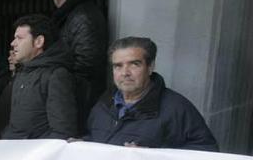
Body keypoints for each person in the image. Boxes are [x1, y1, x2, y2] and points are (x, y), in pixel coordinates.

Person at [86, 36, 218, 151]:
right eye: (118, 66)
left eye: (134, 64)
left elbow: (207, 151)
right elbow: (95, 138)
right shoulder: (103, 104)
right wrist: (80, 146)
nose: (125, 73)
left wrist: (154, 157)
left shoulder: (177, 108)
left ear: (150, 67)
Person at [2, 14, 77, 139]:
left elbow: (62, 132)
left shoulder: (57, 75)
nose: (13, 43)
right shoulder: (22, 73)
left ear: (39, 42)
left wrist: (37, 156)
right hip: (13, 152)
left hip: (34, 156)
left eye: (19, 38)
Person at [50, 0, 108, 131]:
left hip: (81, 94)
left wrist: (61, 78)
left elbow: (87, 61)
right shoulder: (79, 14)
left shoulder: (81, 16)